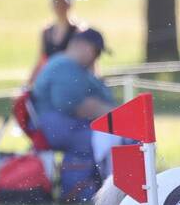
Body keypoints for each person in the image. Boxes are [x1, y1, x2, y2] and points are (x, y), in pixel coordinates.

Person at [30, 28, 123, 178]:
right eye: (96, 51)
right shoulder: (66, 66)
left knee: (111, 138)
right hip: (59, 127)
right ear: (82, 45)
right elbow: (71, 105)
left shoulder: (67, 64)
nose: (96, 58)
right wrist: (118, 116)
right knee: (113, 141)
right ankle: (112, 184)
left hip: (63, 126)